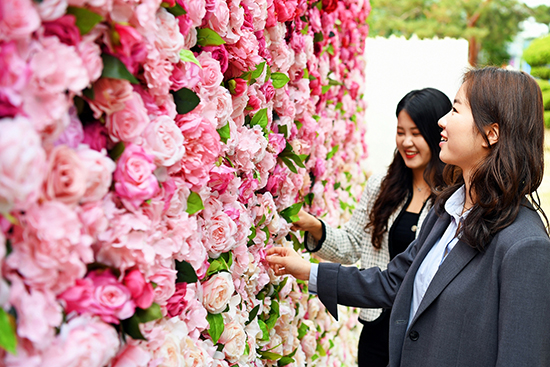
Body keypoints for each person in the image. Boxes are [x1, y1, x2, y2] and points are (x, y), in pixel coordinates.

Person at [267, 67, 550, 366]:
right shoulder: (447, 211)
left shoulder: (525, 246)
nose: (442, 121)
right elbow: (393, 282)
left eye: (455, 110)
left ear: (491, 133)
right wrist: (307, 271)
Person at [292, 88, 451, 367]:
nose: (406, 142)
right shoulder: (381, 187)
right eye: (400, 132)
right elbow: (353, 245)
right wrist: (315, 227)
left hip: (424, 332)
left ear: (437, 134)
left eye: (416, 133)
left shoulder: (453, 198)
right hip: (377, 328)